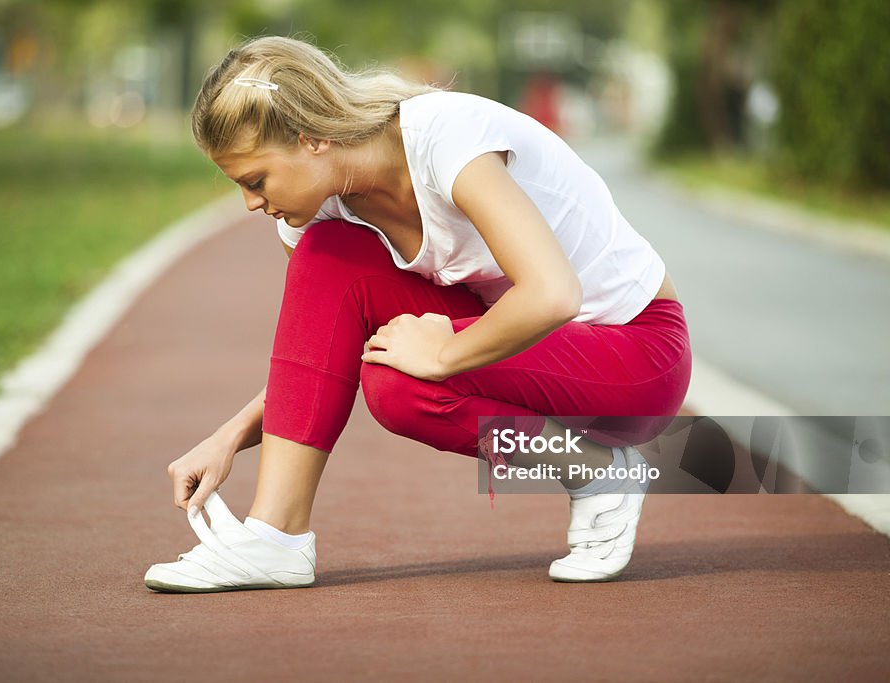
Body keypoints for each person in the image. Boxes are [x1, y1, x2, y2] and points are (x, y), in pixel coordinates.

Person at [143, 36, 691, 593]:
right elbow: (318, 359)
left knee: (408, 367)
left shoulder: (444, 138)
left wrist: (445, 351)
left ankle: (600, 472)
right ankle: (276, 539)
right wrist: (231, 435)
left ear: (312, 139)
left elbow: (553, 294)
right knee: (390, 375)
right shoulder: (316, 214)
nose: (251, 204)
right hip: (529, 351)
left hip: (636, 358)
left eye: (255, 181)